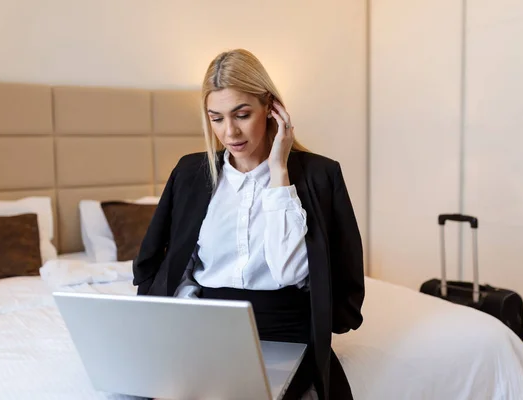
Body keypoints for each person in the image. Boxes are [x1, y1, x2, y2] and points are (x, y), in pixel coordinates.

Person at [133, 48, 365, 399]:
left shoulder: (319, 175)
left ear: (271, 109)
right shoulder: (191, 173)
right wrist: (184, 322)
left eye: (242, 114)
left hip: (285, 330)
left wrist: (279, 172)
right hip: (206, 326)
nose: (230, 132)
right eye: (216, 118)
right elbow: (168, 261)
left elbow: (290, 272)